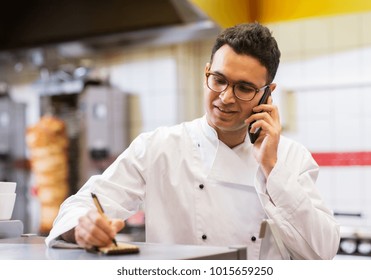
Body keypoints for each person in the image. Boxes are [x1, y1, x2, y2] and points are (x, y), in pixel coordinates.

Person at [46, 22, 340, 259]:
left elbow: (323, 250)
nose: (225, 97)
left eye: (245, 88)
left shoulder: (291, 158)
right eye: (219, 80)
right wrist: (82, 228)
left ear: (267, 93)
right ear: (206, 73)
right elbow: (81, 205)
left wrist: (273, 169)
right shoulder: (159, 147)